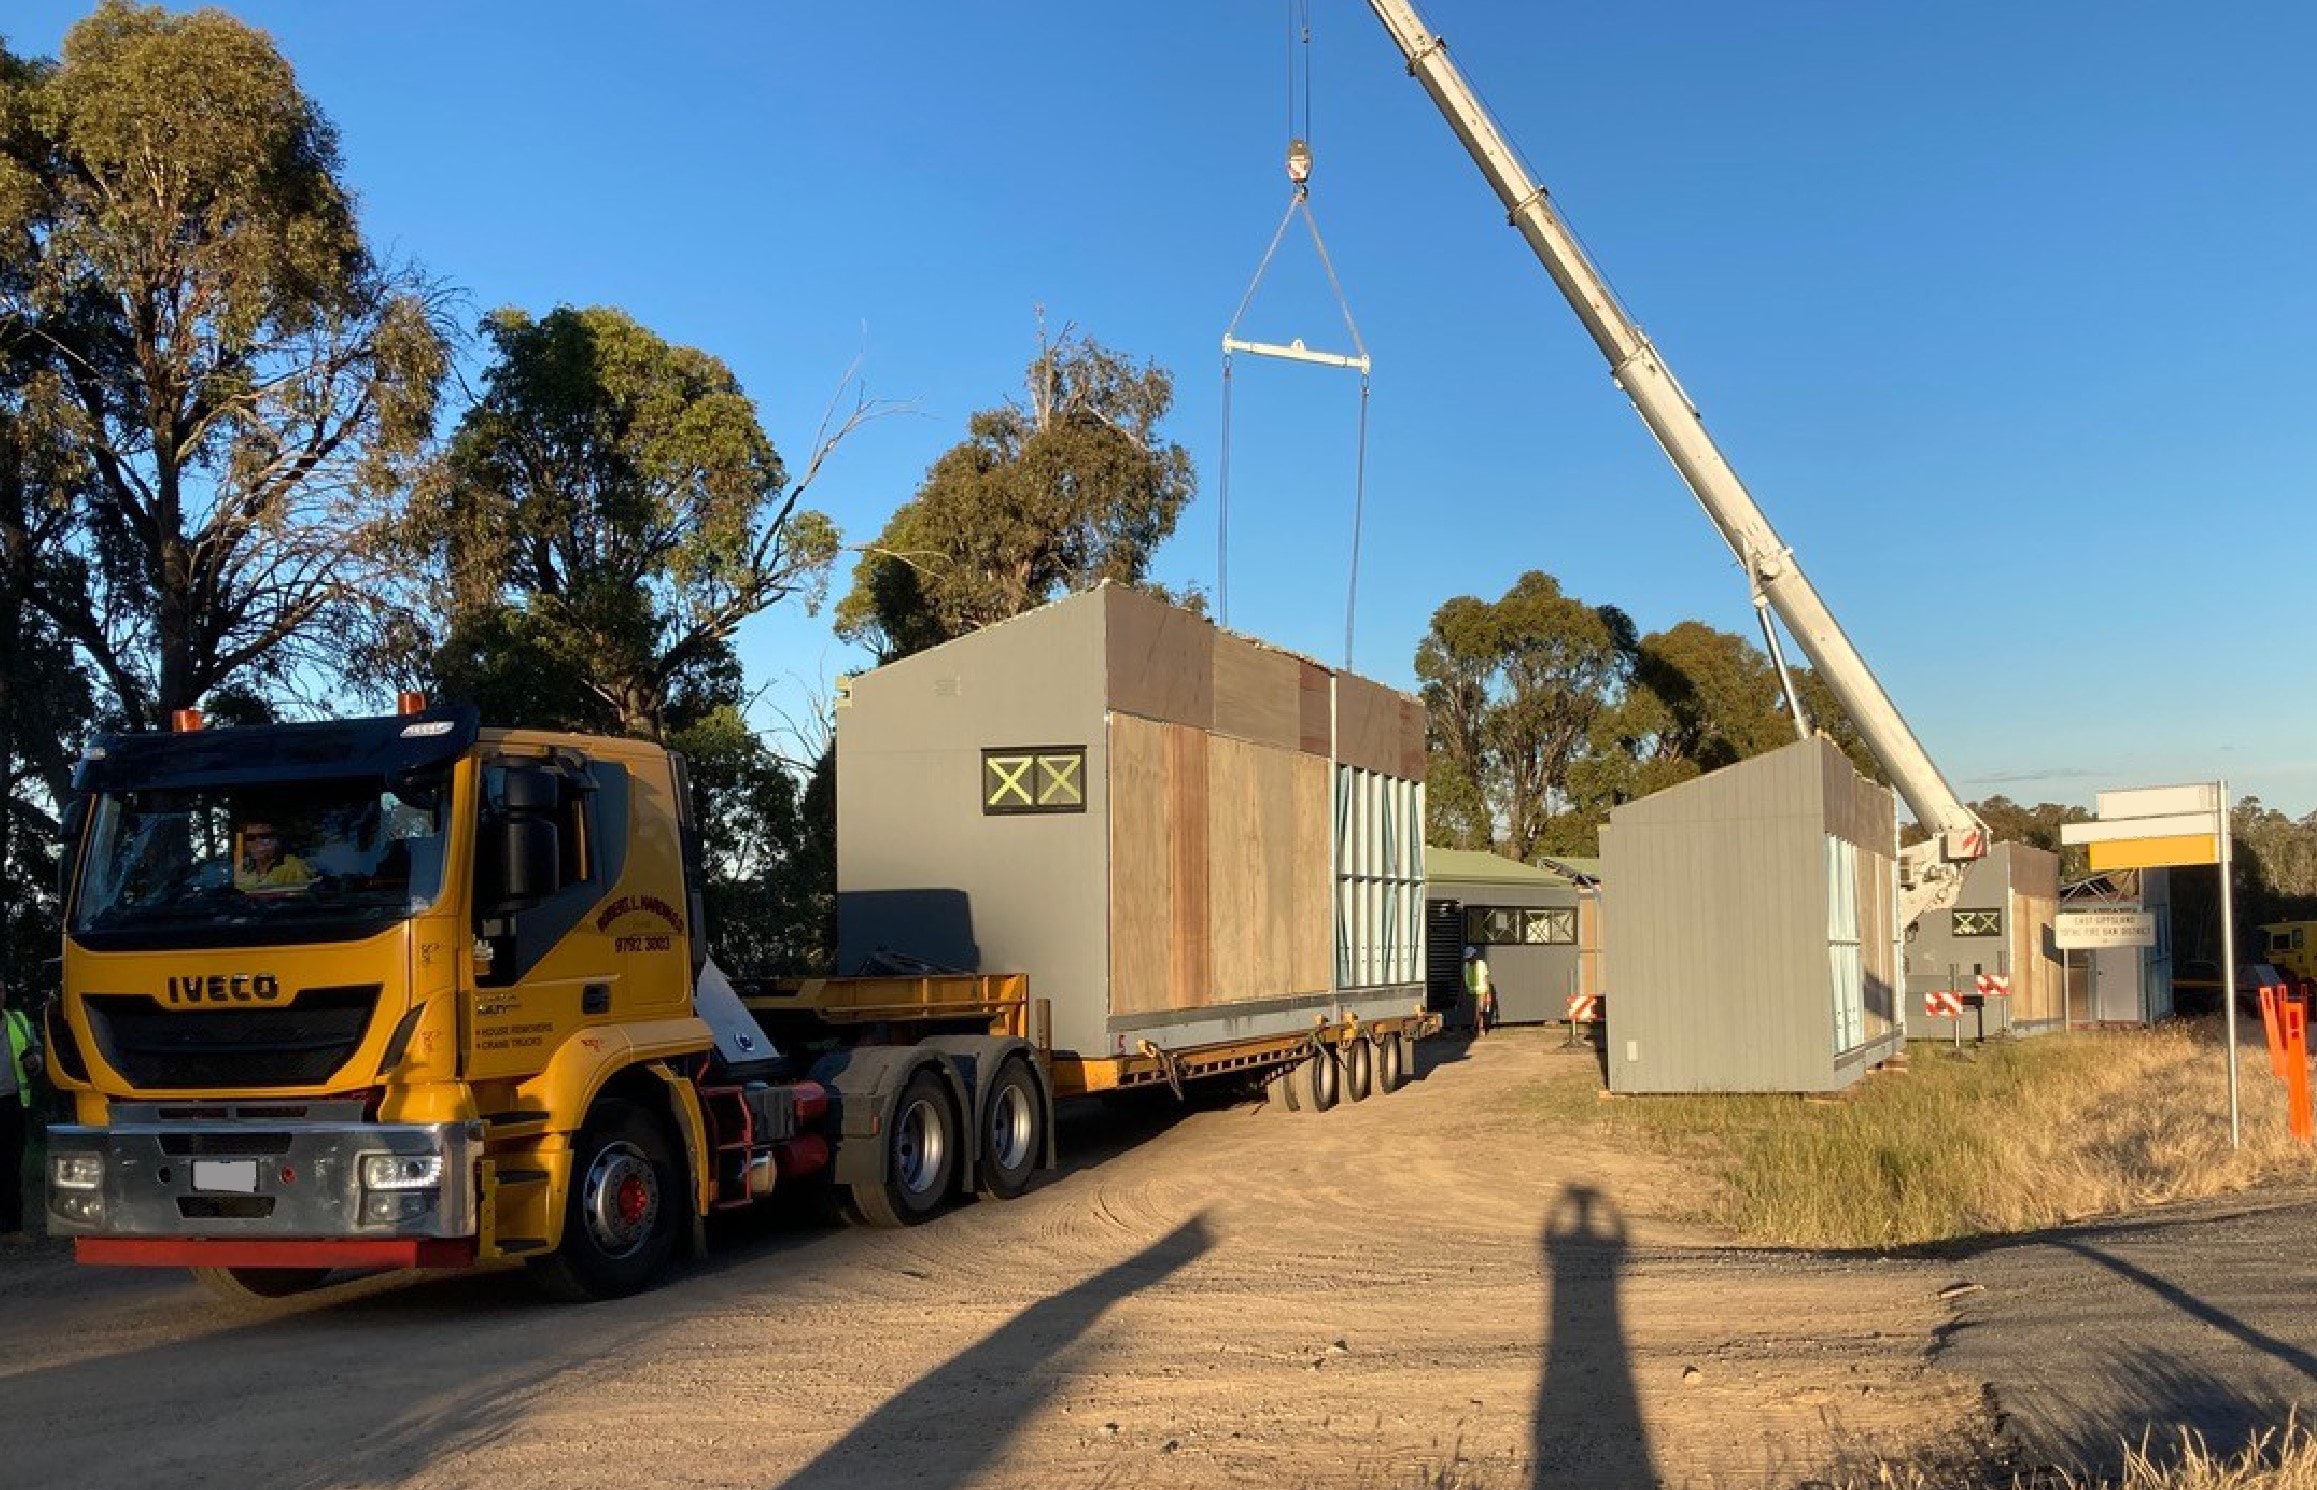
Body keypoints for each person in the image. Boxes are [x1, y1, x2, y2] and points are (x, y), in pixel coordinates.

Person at [0, 987, 42, 1245]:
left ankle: (13, 1230)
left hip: (12, 1104)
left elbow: (37, 1053)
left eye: (0, 991)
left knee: (11, 1167)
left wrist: (34, 1062)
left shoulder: (18, 1021)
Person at [234, 816, 314, 891]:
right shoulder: (243, 871)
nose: (257, 842)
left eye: (265, 836)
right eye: (250, 838)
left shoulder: (296, 868)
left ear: (278, 839)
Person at [1463, 944, 1495, 1037]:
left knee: (1480, 1010)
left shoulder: (1481, 964)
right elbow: (1465, 979)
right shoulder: (1466, 966)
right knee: (1475, 1011)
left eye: (1471, 957)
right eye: (1468, 958)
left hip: (1481, 990)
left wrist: (1488, 993)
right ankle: (1475, 1027)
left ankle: (1480, 1028)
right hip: (1471, 991)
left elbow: (1486, 979)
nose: (1469, 960)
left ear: (1474, 956)